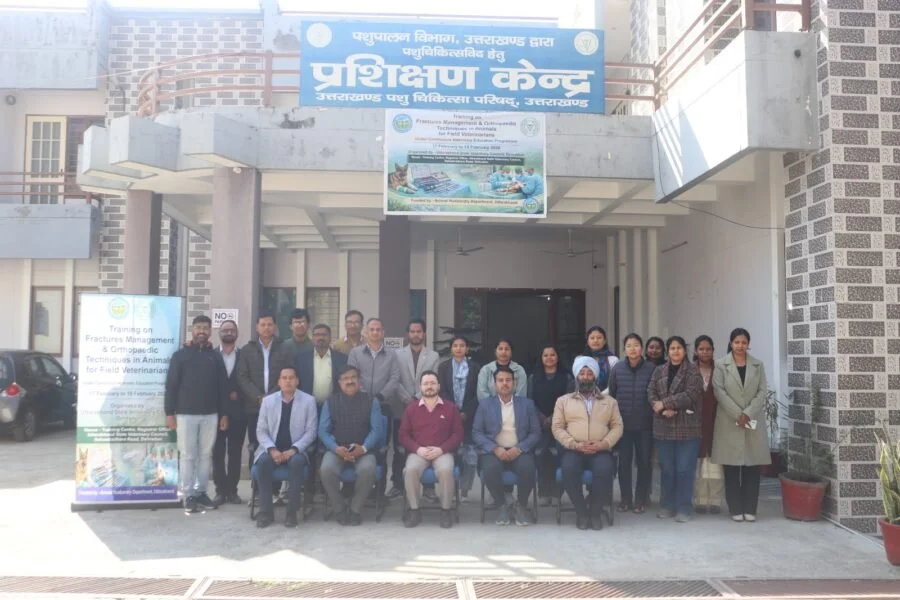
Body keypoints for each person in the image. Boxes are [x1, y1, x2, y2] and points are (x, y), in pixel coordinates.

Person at [164, 315, 229, 515]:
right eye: (198, 327)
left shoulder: (215, 357)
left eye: (205, 328)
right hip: (186, 415)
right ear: (192, 330)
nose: (202, 331)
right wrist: (169, 413)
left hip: (211, 414)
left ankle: (201, 492)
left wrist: (224, 414)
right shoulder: (180, 356)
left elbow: (223, 388)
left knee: (205, 455)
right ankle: (188, 495)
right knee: (188, 455)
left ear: (210, 331)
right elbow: (171, 386)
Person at [552, 356, 624, 530]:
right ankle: (582, 512)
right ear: (576, 376)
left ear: (595, 377)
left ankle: (595, 512)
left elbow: (617, 426)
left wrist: (604, 444)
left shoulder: (609, 402)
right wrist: (574, 444)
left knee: (605, 469)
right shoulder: (563, 401)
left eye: (589, 373)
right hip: (574, 449)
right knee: (569, 469)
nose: (585, 377)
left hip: (600, 449)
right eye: (582, 373)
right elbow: (557, 427)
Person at [712, 328, 771, 523]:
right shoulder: (720, 365)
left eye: (744, 342)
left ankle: (750, 508)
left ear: (748, 344)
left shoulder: (758, 365)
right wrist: (738, 414)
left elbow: (762, 391)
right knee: (731, 467)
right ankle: (735, 508)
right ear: (731, 343)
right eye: (737, 342)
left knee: (752, 467)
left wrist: (748, 413)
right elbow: (719, 391)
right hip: (729, 421)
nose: (740, 346)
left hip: (752, 421)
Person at [472, 366, 541, 526]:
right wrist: (494, 448)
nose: (504, 383)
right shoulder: (485, 405)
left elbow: (536, 433)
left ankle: (521, 506)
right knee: (490, 469)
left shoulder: (527, 404)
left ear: (514, 383)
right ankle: (501, 505)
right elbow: (476, 432)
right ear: (494, 384)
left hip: (519, 450)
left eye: (508, 380)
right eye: (500, 380)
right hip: (493, 450)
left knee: (527, 468)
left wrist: (520, 448)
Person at [318, 365, 384, 526]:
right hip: (337, 449)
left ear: (359, 380)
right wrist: (335, 448)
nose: (349, 381)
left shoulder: (372, 401)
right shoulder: (330, 402)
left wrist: (364, 448)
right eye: (345, 379)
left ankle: (355, 509)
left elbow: (376, 430)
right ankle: (339, 508)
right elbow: (323, 431)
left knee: (368, 469)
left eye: (353, 377)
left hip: (363, 449)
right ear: (339, 383)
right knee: (326, 469)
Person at [252, 366, 318, 528]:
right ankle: (265, 512)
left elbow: (311, 432)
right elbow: (261, 430)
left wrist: (293, 450)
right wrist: (272, 449)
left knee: (296, 463)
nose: (288, 381)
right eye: (284, 378)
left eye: (291, 378)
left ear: (297, 381)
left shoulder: (309, 401)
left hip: (296, 450)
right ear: (279, 382)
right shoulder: (268, 401)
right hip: (272, 448)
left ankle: (291, 513)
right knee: (263, 462)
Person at [236, 313, 292, 499]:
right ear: (257, 327)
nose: (266, 328)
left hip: (279, 404)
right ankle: (258, 490)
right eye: (263, 324)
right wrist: (259, 397)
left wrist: (271, 396)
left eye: (270, 324)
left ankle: (275, 490)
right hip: (254, 407)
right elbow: (242, 377)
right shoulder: (247, 350)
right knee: (257, 445)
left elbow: (288, 374)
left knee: (277, 443)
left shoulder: (285, 348)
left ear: (275, 327)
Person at [648, 336, 704, 523]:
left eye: (679, 348)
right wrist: (662, 409)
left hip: (687, 427)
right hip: (663, 426)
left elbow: (691, 395)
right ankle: (668, 505)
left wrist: (665, 403)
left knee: (684, 469)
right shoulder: (659, 370)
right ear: (667, 351)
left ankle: (684, 507)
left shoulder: (693, 371)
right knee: (667, 469)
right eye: (672, 348)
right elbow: (651, 392)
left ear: (685, 350)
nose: (675, 351)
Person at [398, 371, 464, 529]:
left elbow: (458, 434)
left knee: (446, 470)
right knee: (410, 470)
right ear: (420, 387)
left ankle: (446, 510)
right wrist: (417, 449)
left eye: (433, 383)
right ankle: (414, 510)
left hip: (442, 452)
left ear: (439, 386)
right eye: (426, 383)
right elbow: (403, 435)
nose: (429, 386)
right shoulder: (411, 409)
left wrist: (442, 449)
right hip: (419, 452)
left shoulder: (450, 408)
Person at [348, 318, 403, 497]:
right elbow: (352, 376)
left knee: (382, 448)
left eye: (378, 329)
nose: (375, 332)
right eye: (371, 329)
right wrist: (365, 397)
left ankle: (379, 492)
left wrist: (379, 397)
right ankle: (357, 489)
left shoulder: (392, 355)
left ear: (383, 332)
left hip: (383, 406)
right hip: (359, 405)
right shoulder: (355, 353)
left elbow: (394, 378)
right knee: (360, 443)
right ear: (365, 332)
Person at [608, 333, 656, 514]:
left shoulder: (651, 368)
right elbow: (612, 395)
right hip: (623, 425)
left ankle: (641, 499)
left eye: (636, 345)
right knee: (624, 463)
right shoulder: (617, 369)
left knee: (644, 463)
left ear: (642, 349)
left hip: (645, 425)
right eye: (629, 346)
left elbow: (655, 394)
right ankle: (625, 499)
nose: (633, 349)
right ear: (624, 349)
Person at [527, 344, 574, 506]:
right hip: (539, 424)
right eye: (545, 355)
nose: (549, 358)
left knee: (558, 456)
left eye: (552, 355)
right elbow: (530, 401)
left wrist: (554, 418)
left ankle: (557, 493)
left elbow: (568, 401)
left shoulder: (567, 378)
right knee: (540, 455)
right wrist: (542, 418)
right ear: (541, 358)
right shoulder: (533, 378)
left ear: (558, 357)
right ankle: (543, 492)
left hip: (561, 424)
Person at [437, 335, 480, 500]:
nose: (459, 348)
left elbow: (477, 393)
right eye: (455, 345)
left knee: (469, 455)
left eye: (462, 345)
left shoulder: (475, 368)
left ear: (467, 348)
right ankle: (452, 489)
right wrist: (454, 411)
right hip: (449, 417)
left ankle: (465, 490)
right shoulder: (443, 367)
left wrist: (466, 412)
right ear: (451, 349)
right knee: (452, 452)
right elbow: (442, 391)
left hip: (469, 417)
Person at [212, 319, 245, 506]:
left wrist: (238, 393)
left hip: (238, 411)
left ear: (237, 333)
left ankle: (232, 490)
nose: (229, 332)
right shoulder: (211, 355)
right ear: (219, 333)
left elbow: (248, 378)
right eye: (225, 330)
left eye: (232, 330)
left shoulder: (244, 355)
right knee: (217, 452)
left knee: (235, 452)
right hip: (215, 411)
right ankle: (220, 490)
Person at [694, 334, 724, 514]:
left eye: (708, 349)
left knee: (715, 465)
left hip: (716, 422)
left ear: (713, 350)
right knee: (698, 465)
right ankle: (699, 500)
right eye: (701, 349)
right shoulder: (689, 370)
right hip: (695, 423)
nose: (705, 352)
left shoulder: (720, 370)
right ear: (696, 351)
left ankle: (714, 501)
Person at [296, 323, 348, 408]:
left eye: (324, 335)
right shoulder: (301, 359)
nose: (321, 337)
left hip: (333, 406)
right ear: (312, 338)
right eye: (317, 335)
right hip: (307, 405)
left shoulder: (342, 359)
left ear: (330, 337)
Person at [582, 326, 619, 393]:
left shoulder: (613, 360)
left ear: (605, 341)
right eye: (592, 338)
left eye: (599, 338)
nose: (595, 340)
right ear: (587, 341)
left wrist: (601, 395)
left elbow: (614, 383)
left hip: (607, 397)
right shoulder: (581, 360)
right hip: (585, 396)